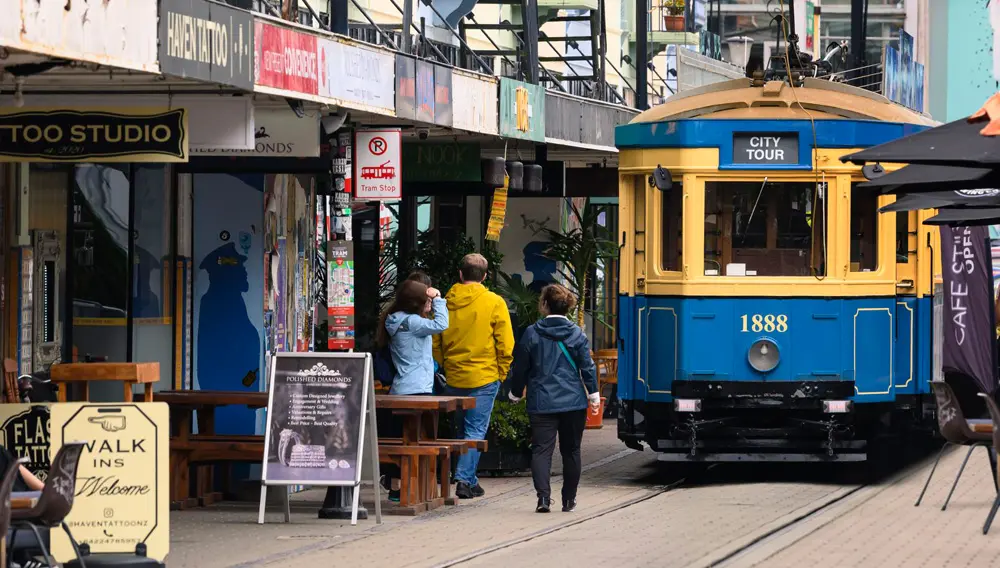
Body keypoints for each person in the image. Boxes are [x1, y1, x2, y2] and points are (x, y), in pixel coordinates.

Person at [507, 284, 599, 513]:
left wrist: (515, 392)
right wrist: (594, 394)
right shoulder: (577, 333)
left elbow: (520, 368)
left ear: (545, 305)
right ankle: (569, 500)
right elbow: (587, 366)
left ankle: (543, 499)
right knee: (572, 451)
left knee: (541, 451)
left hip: (541, 401)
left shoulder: (531, 333)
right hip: (573, 402)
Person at [434, 253, 514, 499]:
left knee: (460, 430)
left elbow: (436, 342)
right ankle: (464, 480)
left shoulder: (446, 302)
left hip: (455, 377)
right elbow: (506, 343)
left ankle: (471, 478)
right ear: (485, 276)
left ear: (460, 274)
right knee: (475, 430)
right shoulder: (494, 302)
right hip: (484, 376)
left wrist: (445, 365)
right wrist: (501, 372)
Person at [378, 280, 448, 396]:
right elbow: (441, 324)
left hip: (402, 387)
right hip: (417, 388)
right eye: (427, 298)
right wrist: (437, 297)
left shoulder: (397, 319)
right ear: (416, 303)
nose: (430, 301)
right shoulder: (412, 322)